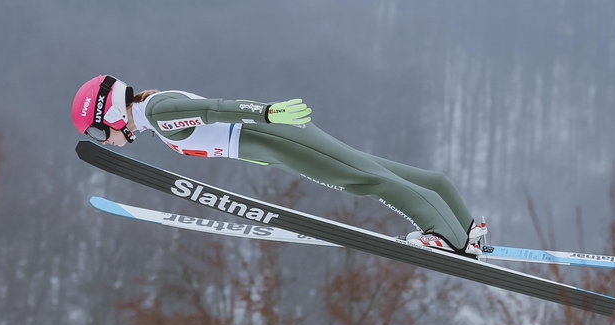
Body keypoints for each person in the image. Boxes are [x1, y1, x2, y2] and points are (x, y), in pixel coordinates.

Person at [71, 75, 487, 257]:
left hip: (275, 137)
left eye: (97, 132)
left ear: (109, 113)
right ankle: (464, 229)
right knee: (379, 169)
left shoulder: (158, 113)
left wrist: (267, 113)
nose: (104, 141)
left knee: (363, 178)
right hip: (272, 140)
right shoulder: (153, 112)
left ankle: (446, 237)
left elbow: (212, 110)